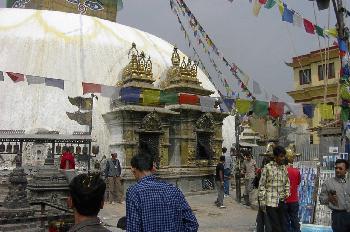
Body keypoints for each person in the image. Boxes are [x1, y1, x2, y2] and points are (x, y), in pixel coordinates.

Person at [126, 153, 198, 232]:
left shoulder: (134, 192)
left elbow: (133, 228)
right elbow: (192, 224)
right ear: (153, 168)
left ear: (133, 169)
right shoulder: (174, 190)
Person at [258, 146, 290, 232]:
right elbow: (261, 185)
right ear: (275, 157)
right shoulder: (267, 168)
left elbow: (287, 182)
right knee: (275, 227)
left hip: (281, 201)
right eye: (281, 156)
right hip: (270, 202)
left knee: (282, 226)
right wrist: (262, 201)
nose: (283, 158)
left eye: (283, 156)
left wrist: (287, 193)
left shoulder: (284, 168)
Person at [319, 159, 350, 232]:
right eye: (336, 168)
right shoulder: (328, 183)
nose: (337, 170)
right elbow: (321, 199)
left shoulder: (349, 182)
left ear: (346, 170)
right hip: (338, 217)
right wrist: (329, 198)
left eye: (340, 168)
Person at [284, 155, 301, 232]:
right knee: (295, 219)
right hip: (294, 200)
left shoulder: (281, 172)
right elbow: (298, 182)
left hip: (284, 200)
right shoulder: (296, 171)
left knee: (285, 220)